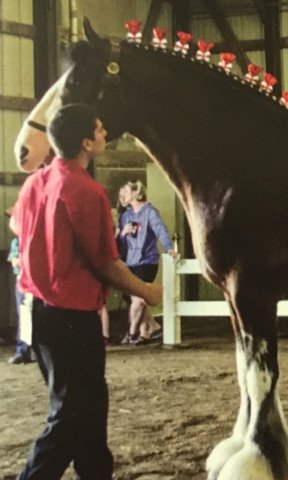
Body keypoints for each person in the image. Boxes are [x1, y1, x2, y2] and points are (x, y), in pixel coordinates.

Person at [11, 103, 162, 480]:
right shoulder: (87, 191)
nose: (103, 134)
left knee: (89, 408)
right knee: (72, 416)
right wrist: (147, 291)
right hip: (72, 319)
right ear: (84, 142)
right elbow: (105, 264)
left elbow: (17, 225)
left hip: (38, 312)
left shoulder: (36, 183)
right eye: (97, 130)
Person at [119, 180, 175, 344]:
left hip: (147, 260)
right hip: (130, 261)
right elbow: (120, 242)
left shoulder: (150, 212)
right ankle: (151, 328)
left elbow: (160, 229)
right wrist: (123, 233)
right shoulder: (125, 216)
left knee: (138, 297)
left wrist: (168, 248)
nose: (123, 195)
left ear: (137, 193)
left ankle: (132, 334)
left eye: (127, 191)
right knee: (135, 298)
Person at [6, 207, 34, 364]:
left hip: (33, 283)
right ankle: (23, 351)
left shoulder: (32, 239)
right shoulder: (16, 241)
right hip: (22, 282)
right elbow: (14, 260)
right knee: (24, 316)